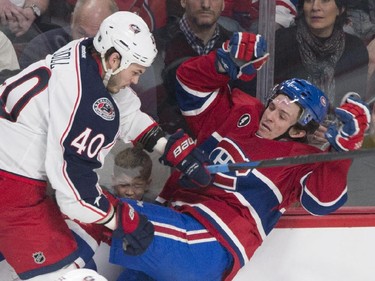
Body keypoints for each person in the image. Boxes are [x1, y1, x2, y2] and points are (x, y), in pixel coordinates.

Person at [107, 32, 370, 280]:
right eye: (273, 106)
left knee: (106, 212)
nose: (269, 116)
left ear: (299, 131)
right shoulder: (240, 112)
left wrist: (342, 153)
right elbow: (187, 83)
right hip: (174, 218)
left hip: (210, 242)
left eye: (282, 116)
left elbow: (323, 202)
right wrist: (222, 62)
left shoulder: (300, 160)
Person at [0, 11, 211, 280]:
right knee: (73, 271)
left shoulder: (86, 51)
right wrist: (123, 219)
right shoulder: (84, 104)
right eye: (135, 72)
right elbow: (75, 195)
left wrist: (168, 146)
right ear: (114, 59)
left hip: (10, 168)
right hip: (11, 190)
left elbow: (122, 108)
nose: (135, 81)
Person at [274, 0, 369, 148]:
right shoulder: (283, 41)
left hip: (333, 139)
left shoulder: (355, 48)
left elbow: (353, 103)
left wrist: (334, 133)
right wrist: (303, 130)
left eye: (324, 1)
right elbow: (271, 98)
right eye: (309, 1)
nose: (315, 7)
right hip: (286, 136)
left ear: (340, 8)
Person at [157, 0, 255, 135]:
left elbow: (245, 108)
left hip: (223, 143)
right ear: (183, 2)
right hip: (168, 141)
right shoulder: (157, 45)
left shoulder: (238, 50)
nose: (206, 5)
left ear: (223, 4)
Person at [19, 0, 119, 69]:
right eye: (81, 33)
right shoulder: (41, 47)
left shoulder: (116, 59)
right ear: (72, 21)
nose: (86, 42)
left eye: (95, 37)